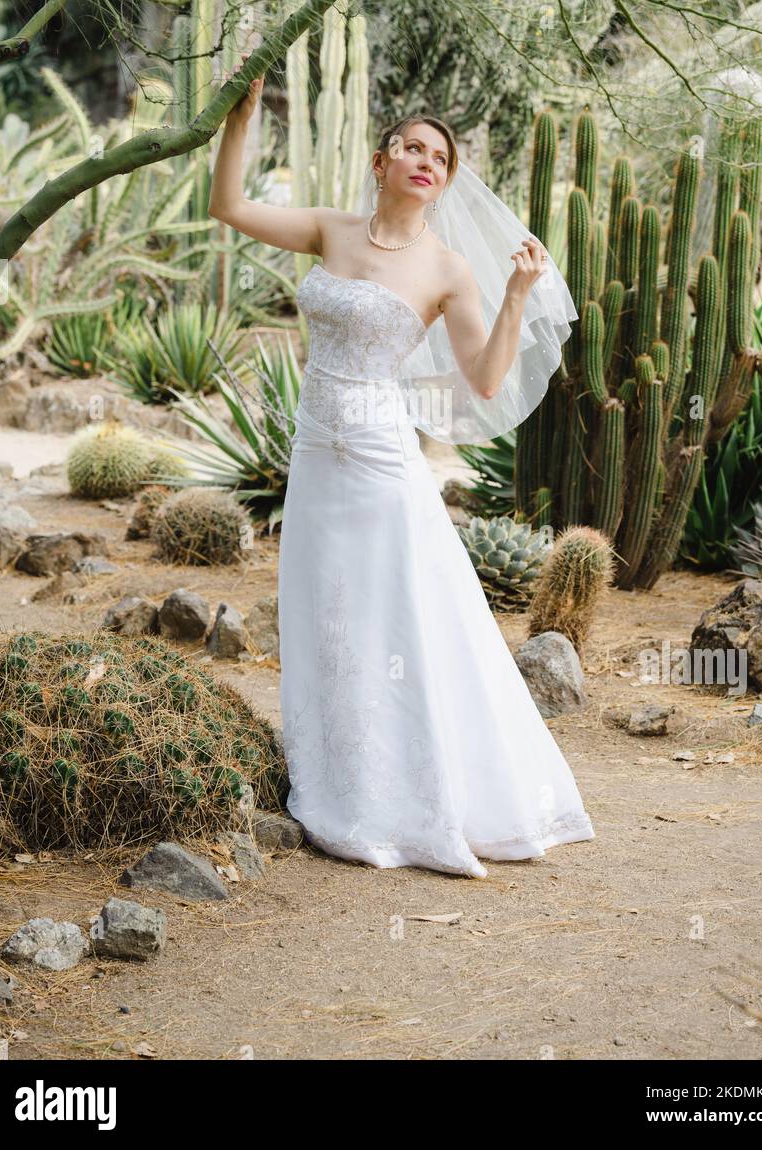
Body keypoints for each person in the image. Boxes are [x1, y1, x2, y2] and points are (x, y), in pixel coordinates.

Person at [209, 75, 595, 879]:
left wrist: (517, 294)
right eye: (413, 148)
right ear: (381, 161)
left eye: (441, 157)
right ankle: (338, 776)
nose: (427, 161)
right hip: (315, 456)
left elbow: (485, 380)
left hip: (383, 459)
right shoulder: (330, 229)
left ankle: (416, 795)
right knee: (327, 608)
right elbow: (231, 208)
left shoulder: (449, 269)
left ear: (446, 182)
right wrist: (238, 122)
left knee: (402, 615)